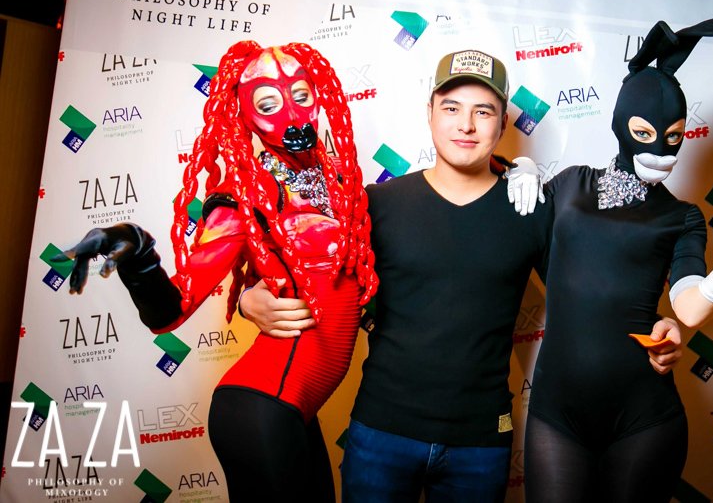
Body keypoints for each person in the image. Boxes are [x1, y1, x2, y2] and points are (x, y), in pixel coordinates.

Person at [240, 49, 684, 502]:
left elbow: (590, 291)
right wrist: (247, 298)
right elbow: (309, 273)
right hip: (381, 433)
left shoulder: (531, 209)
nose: (466, 125)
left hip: (480, 445)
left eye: (483, 111)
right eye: (451, 108)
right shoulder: (377, 204)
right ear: (430, 113)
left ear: (503, 124)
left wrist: (657, 322)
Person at [517, 19, 713, 502]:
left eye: (674, 136)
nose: (662, 150)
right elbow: (516, 246)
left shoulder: (682, 217)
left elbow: (689, 309)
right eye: (645, 132)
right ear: (621, 124)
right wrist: (518, 169)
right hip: (556, 416)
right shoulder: (571, 185)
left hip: (643, 421)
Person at [56, 41, 377, 502]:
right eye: (268, 104)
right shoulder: (242, 198)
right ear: (245, 116)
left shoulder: (343, 184)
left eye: (301, 95)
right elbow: (172, 311)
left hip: (298, 410)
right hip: (259, 410)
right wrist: (138, 251)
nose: (291, 114)